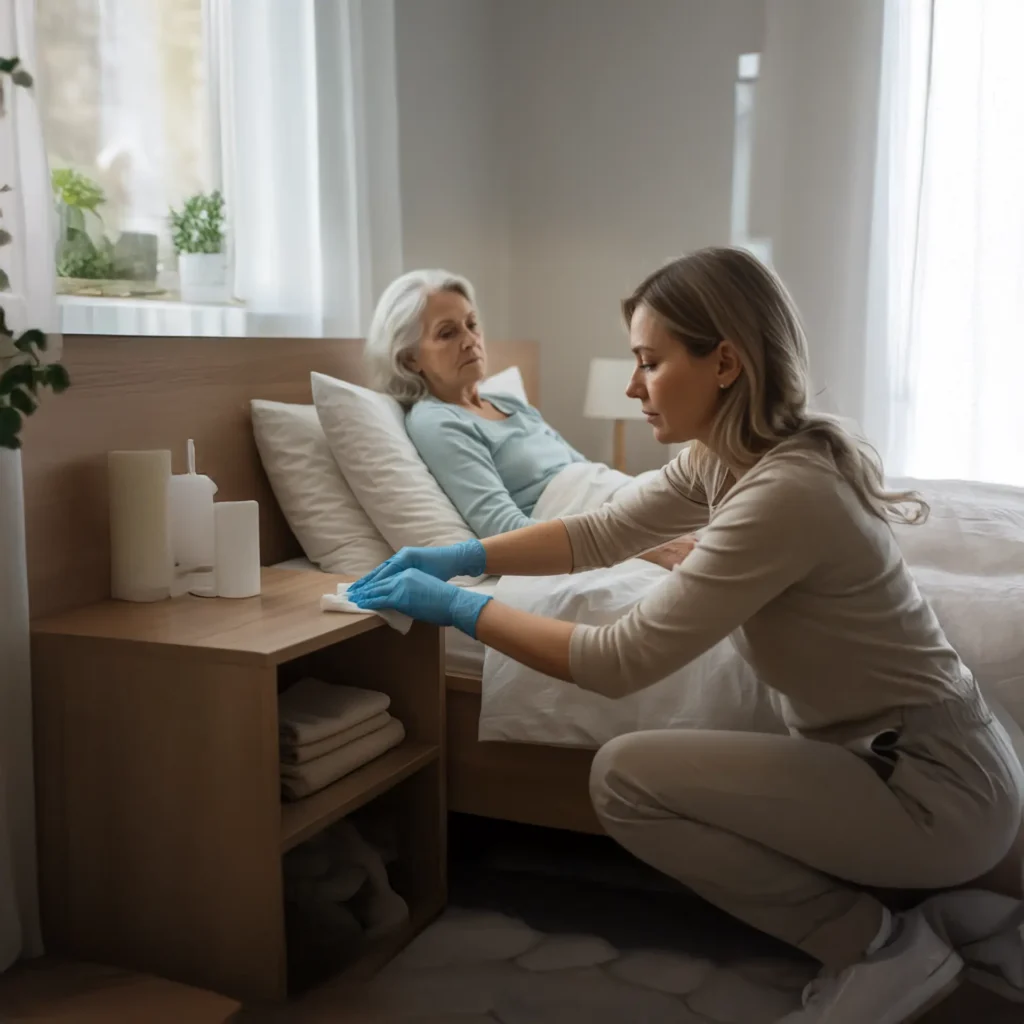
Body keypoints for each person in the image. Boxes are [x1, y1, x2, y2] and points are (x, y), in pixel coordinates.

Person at [349, 247, 1024, 1023]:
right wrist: (465, 555)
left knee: (625, 779)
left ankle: (877, 948)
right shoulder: (729, 458)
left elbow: (618, 660)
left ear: (726, 363)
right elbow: (601, 533)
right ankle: (900, 932)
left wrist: (458, 608)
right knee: (638, 768)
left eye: (650, 362)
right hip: (916, 762)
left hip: (932, 788)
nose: (633, 386)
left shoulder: (785, 492)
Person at [365, 267, 695, 568]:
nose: (470, 341)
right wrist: (646, 545)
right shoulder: (436, 421)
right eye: (447, 333)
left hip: (612, 506)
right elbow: (502, 530)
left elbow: (584, 471)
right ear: (410, 360)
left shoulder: (509, 402)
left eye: (472, 324)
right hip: (586, 532)